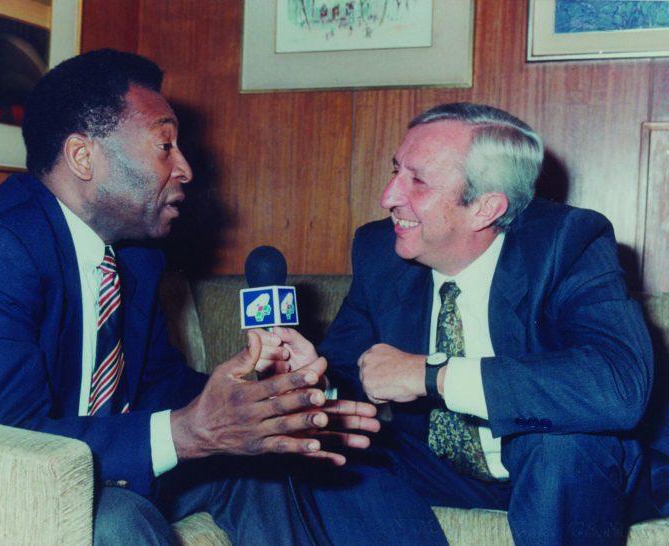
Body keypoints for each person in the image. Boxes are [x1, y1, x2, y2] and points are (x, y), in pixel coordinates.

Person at [0, 48, 380, 545]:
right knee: (118, 518)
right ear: (83, 157)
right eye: (165, 145)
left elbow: (154, 382)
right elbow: (6, 446)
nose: (186, 169)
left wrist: (267, 406)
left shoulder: (133, 256)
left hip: (85, 461)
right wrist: (190, 431)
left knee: (257, 463)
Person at [258, 102, 655, 545]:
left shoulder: (567, 243)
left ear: (486, 208)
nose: (389, 196)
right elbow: (354, 381)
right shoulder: (380, 251)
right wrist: (316, 381)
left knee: (559, 446)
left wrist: (433, 375)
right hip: (438, 466)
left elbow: (619, 385)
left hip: (563, 471)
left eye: (418, 181)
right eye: (396, 170)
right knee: (314, 458)